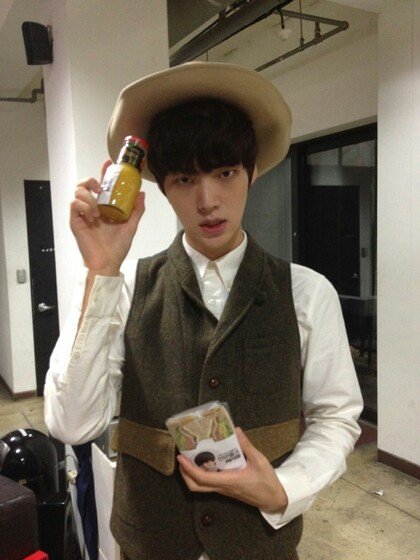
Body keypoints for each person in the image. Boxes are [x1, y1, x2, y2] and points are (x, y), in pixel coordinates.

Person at [44, 62, 363, 560]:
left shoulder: (305, 292)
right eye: (185, 179)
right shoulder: (125, 291)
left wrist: (284, 489)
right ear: (163, 187)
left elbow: (337, 416)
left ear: (252, 173)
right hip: (151, 544)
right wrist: (101, 269)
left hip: (261, 546)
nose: (208, 201)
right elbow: (72, 425)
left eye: (225, 173)